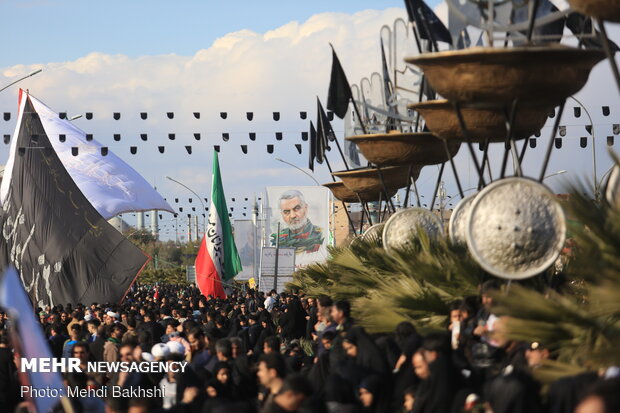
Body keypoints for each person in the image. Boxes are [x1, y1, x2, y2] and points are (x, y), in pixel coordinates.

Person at [270, 190, 324, 254]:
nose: (292, 216)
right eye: (286, 212)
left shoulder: (320, 234)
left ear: (305, 208)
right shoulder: (277, 239)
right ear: (281, 214)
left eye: (297, 208)